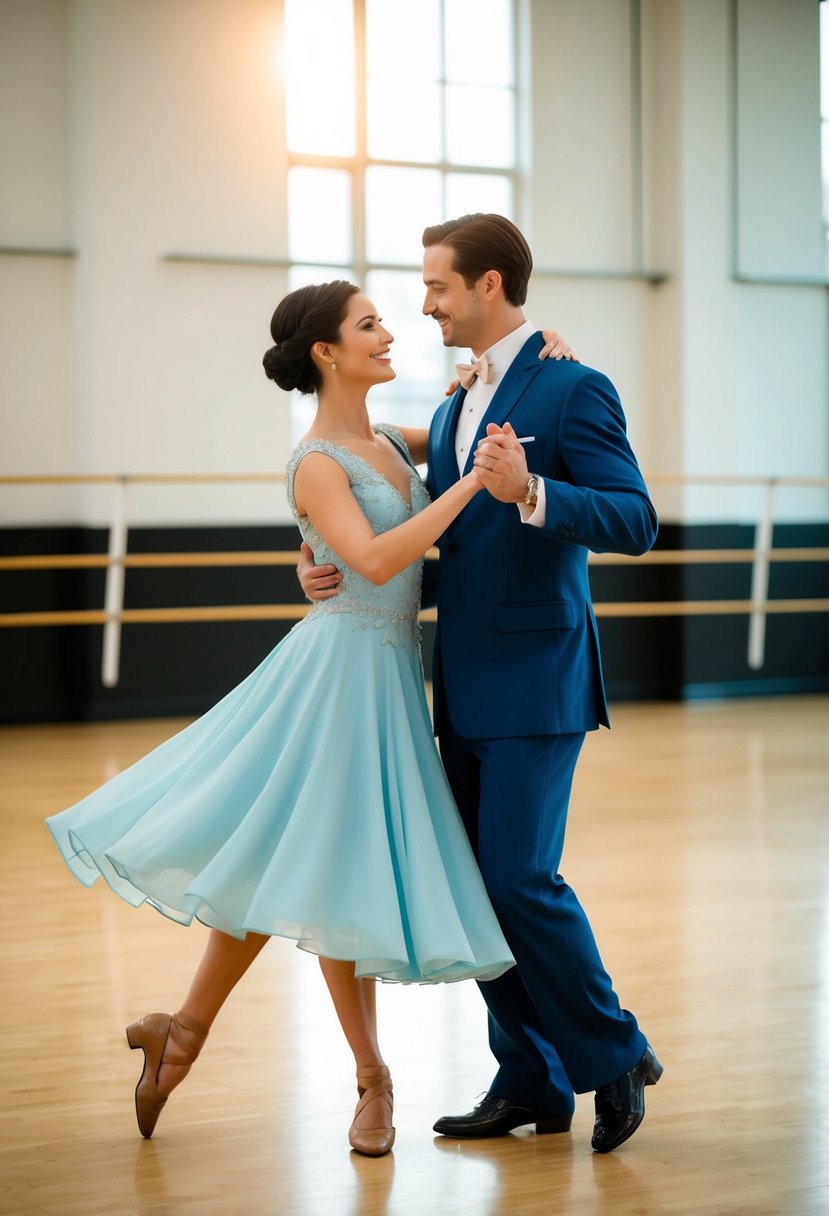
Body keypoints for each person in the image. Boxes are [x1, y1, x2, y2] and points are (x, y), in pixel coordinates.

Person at [46, 279, 522, 1159]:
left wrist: (541, 345)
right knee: (319, 870)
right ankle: (368, 1081)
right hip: (338, 676)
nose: (388, 334)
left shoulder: (386, 440)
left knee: (299, 870)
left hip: (384, 679)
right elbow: (377, 559)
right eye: (369, 324)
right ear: (326, 353)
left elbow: (475, 402)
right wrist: (473, 494)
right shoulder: (314, 460)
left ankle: (182, 1035)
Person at [298, 213, 662, 1154]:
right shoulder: (459, 403)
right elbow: (398, 515)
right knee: (471, 888)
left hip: (539, 677)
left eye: (438, 287)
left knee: (517, 878)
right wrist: (319, 565)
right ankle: (531, 1078)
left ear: (489, 286)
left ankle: (614, 1053)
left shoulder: (575, 386)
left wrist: (532, 495)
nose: (425, 305)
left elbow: (634, 519)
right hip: (454, 680)